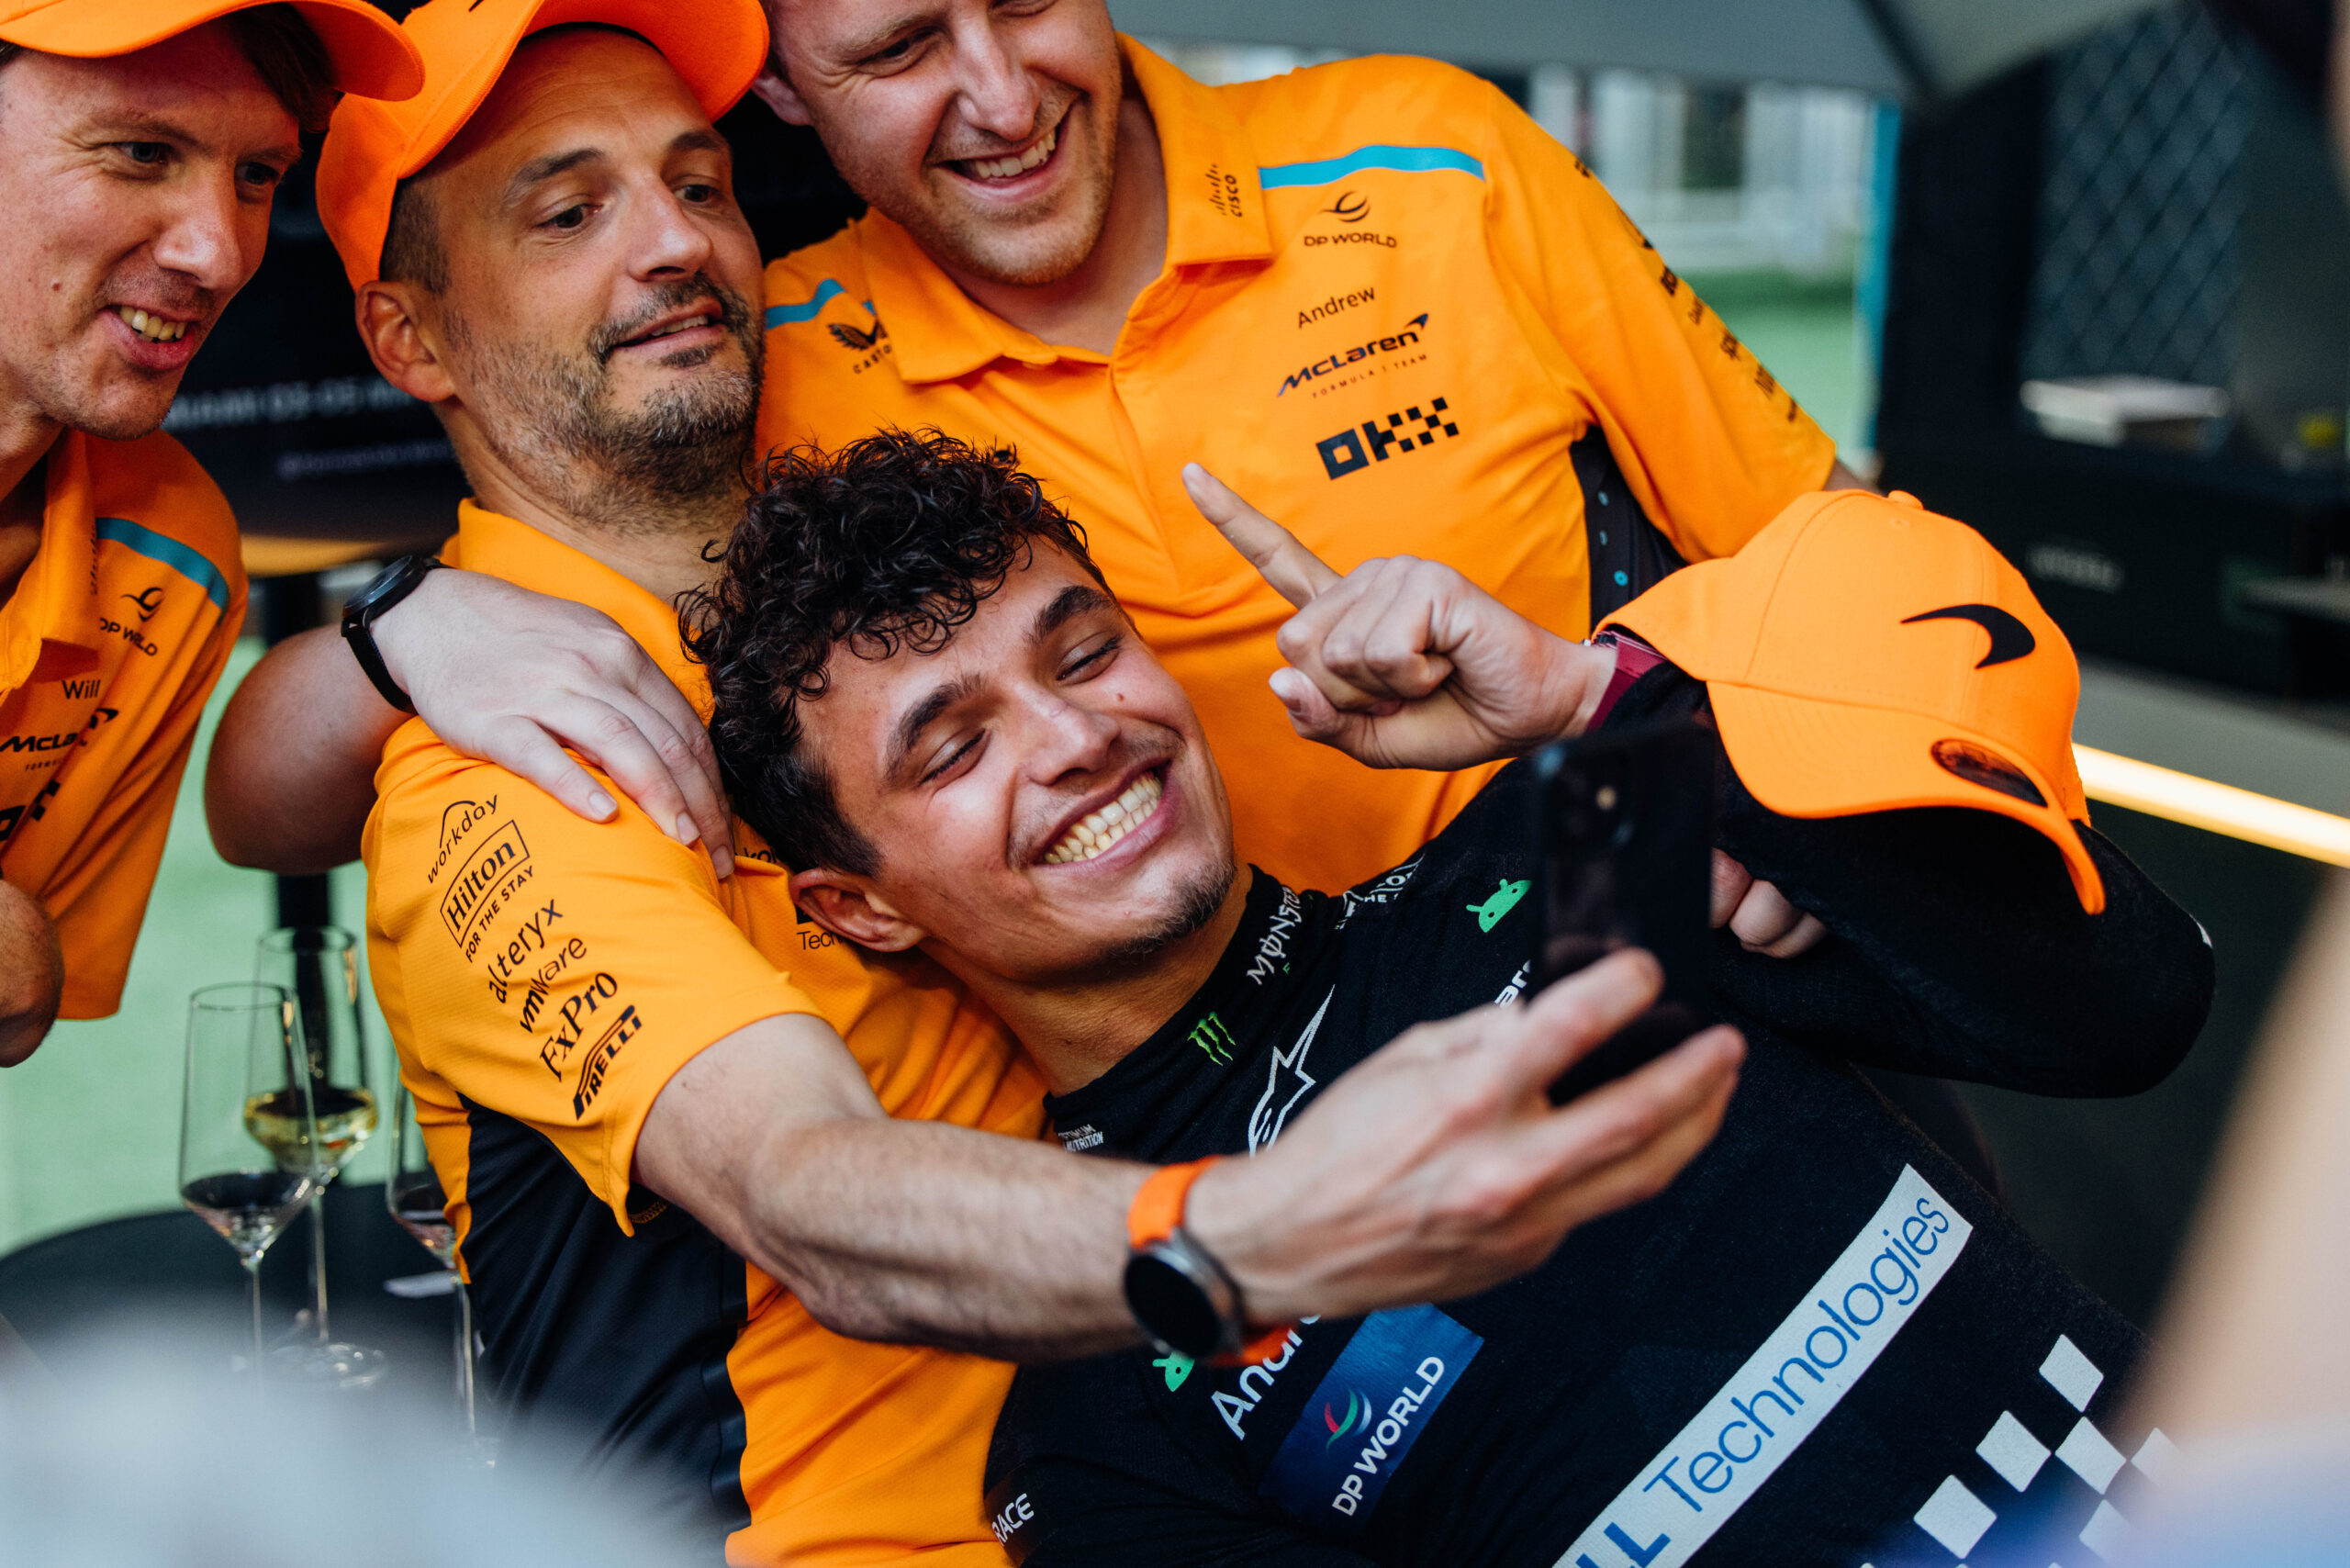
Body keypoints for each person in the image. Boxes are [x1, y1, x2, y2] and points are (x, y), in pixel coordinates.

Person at [302, 3, 1745, 1560]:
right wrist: (1259, 1231)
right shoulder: (501, 776)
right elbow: (801, 1183)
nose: (674, 246)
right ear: (414, 339)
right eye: (572, 212)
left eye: (702, 184)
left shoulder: (839, 551)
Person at [684, 434, 2214, 1567]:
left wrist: (1589, 703)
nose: (1076, 736)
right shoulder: (1104, 1409)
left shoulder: (1570, 847)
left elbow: (2134, 1003)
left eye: (1085, 653)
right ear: (859, 904)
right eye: (952, 747)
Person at [206, 0, 1871, 900]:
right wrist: (409, 625)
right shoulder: (749, 352)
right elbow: (269, 797)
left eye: (1024, 0)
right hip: (1224, 1198)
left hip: (1691, 995)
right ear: (785, 96)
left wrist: (1763, 784)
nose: (1002, 96)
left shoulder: (1430, 155)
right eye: (903, 47)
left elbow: (1835, 547)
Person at [0, 0, 420, 1064]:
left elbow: (16, 1003)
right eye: (141, 152)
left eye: (257, 176)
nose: (220, 253)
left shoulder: (175, 549)